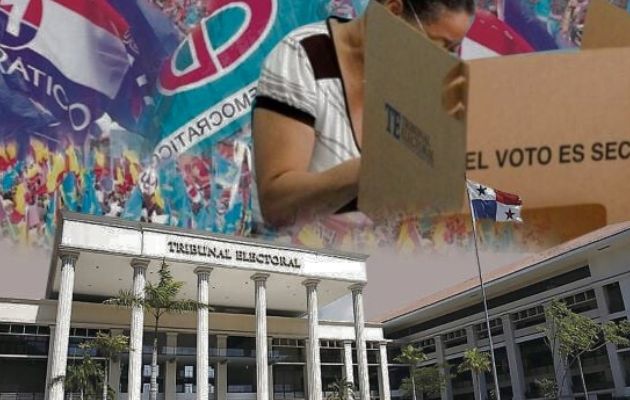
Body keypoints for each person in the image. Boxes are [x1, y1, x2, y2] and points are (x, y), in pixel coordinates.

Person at [252, 0, 475, 228]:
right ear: (393, 12)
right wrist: (369, 170)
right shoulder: (303, 58)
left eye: (453, 50)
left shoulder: (422, 82)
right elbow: (276, 205)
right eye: (439, 46)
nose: (443, 61)